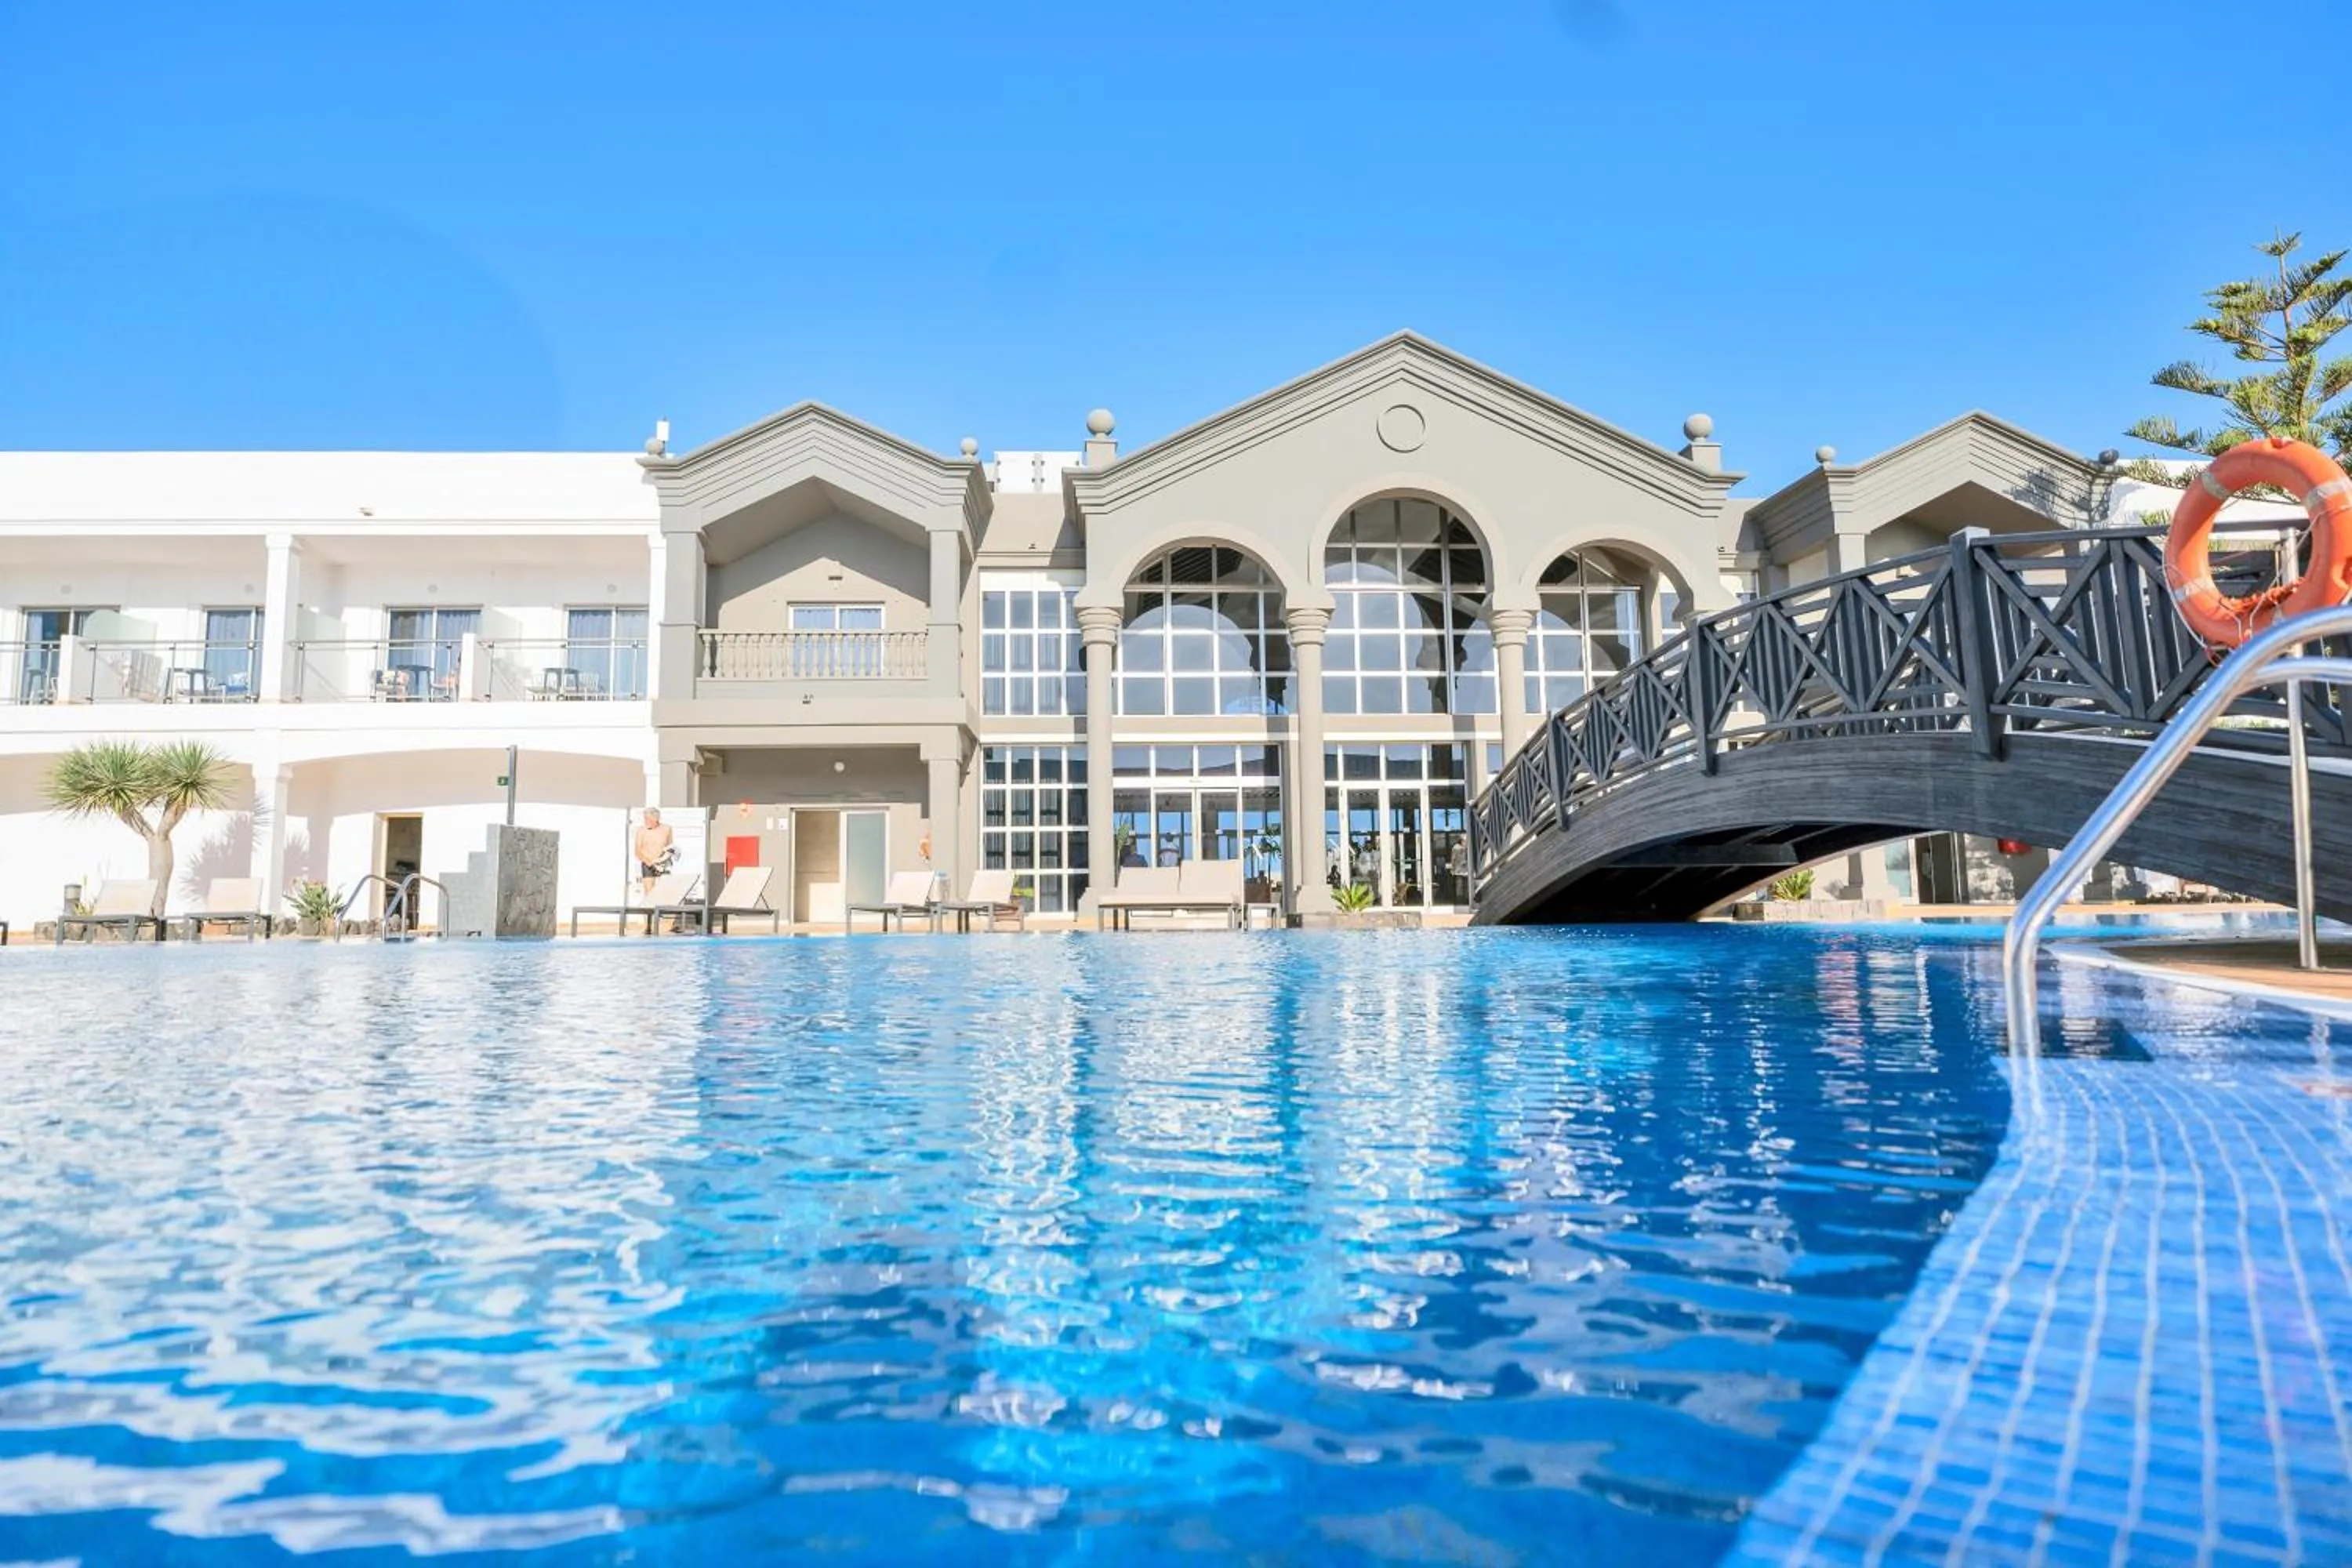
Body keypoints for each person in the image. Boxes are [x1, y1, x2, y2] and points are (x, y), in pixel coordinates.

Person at [633, 808, 674, 900]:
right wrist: (649, 863)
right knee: (649, 894)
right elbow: (637, 851)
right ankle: (649, 914)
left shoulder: (667, 829)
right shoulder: (641, 831)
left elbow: (670, 847)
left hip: (663, 863)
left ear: (656, 819)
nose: (645, 821)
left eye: (648, 819)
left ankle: (663, 912)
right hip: (648, 864)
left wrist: (663, 860)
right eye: (645, 818)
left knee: (665, 891)